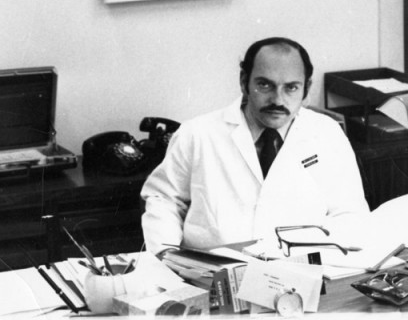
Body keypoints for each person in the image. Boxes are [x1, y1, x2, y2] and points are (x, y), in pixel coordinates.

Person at [141, 37, 369, 255]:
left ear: (306, 88)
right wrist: (166, 254)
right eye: (265, 85)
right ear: (244, 82)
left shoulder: (327, 133)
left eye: (291, 88)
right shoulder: (198, 133)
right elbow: (164, 199)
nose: (277, 100)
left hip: (301, 267)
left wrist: (317, 259)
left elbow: (349, 212)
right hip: (211, 269)